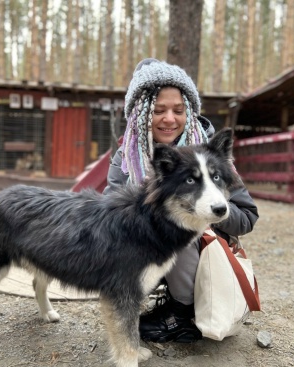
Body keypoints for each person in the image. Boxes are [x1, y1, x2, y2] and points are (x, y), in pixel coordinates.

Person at [103, 58, 259, 343]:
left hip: (197, 251)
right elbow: (109, 212)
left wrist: (209, 209)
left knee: (180, 220)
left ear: (189, 110)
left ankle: (181, 315)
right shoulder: (127, 155)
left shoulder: (211, 154)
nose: (169, 119)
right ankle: (137, 297)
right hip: (143, 245)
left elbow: (247, 217)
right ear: (140, 113)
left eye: (178, 110)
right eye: (158, 110)